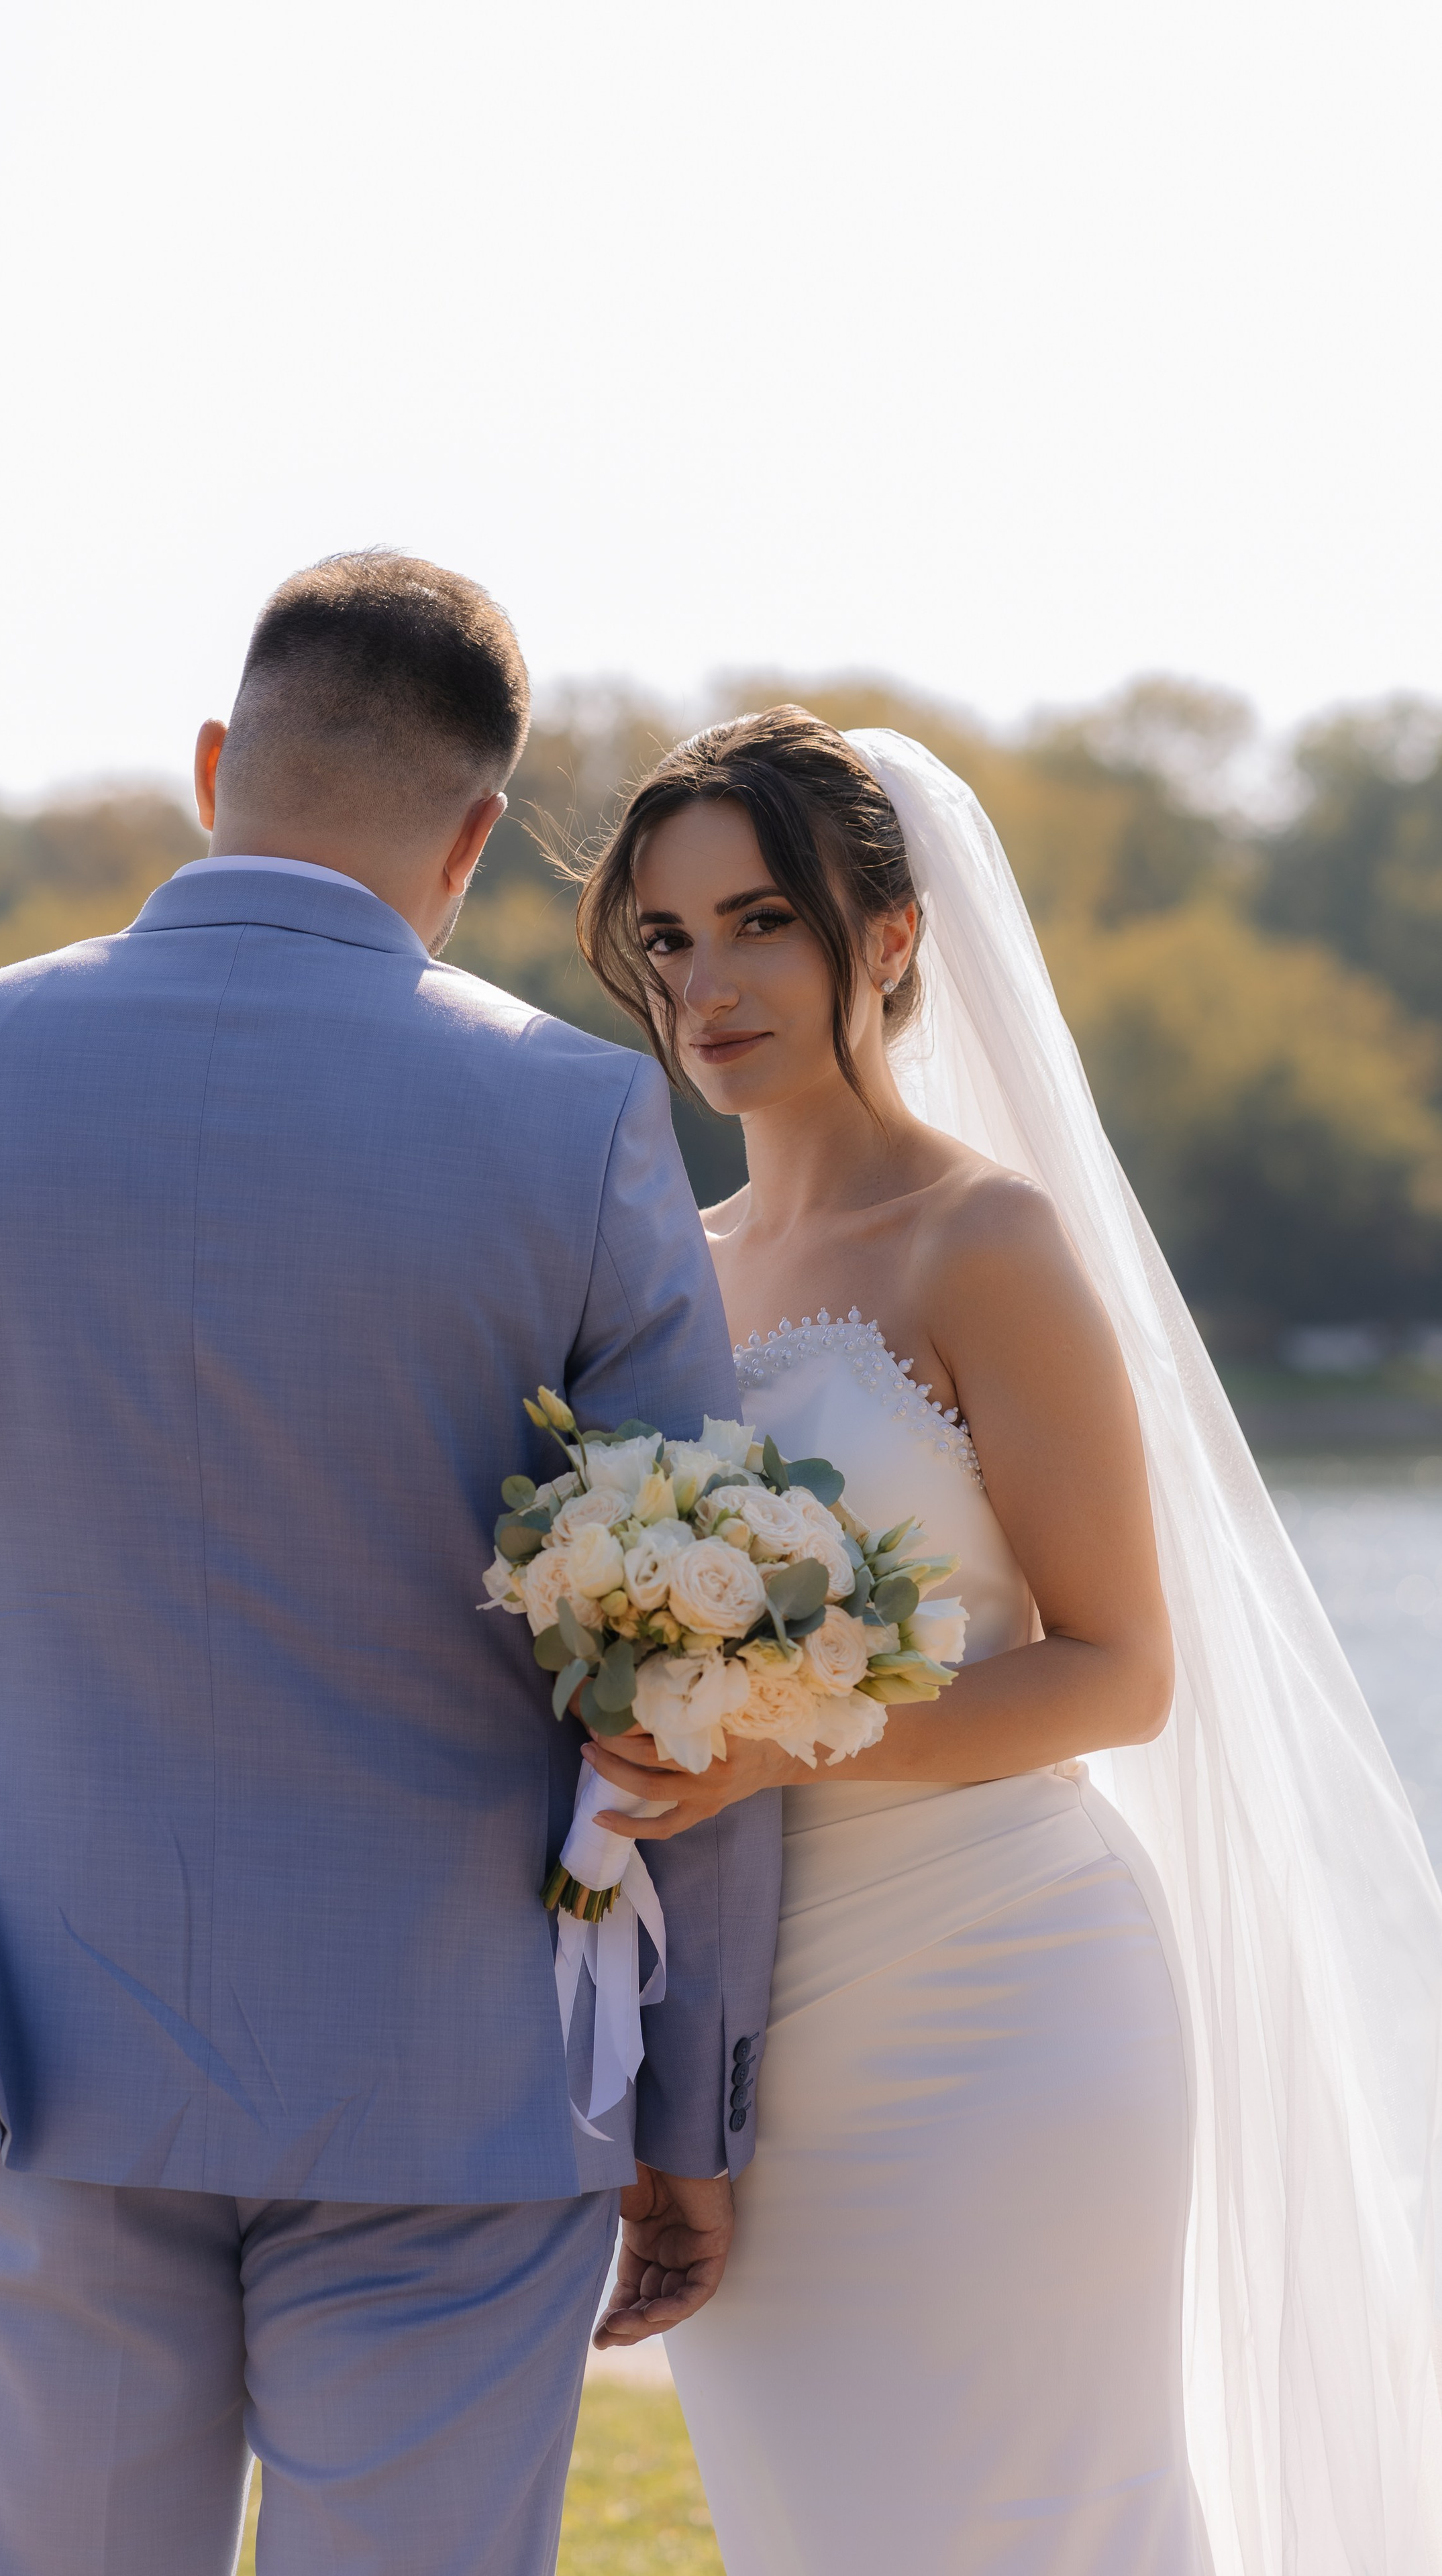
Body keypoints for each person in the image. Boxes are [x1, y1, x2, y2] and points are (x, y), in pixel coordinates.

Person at [0, 553, 780, 2576]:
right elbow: (684, 1656)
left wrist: (63, 1695)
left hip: (53, 2030)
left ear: (216, 765)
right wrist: (694, 2110)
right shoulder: (579, 1120)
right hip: (454, 2068)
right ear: (477, 836)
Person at [574, 710, 1442, 2575]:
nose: (705, 984)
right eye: (667, 939)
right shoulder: (670, 1274)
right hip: (746, 2055)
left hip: (1004, 2002)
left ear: (886, 939)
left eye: (759, 924)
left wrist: (780, 1742)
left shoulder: (985, 1241)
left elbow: (1119, 1670)